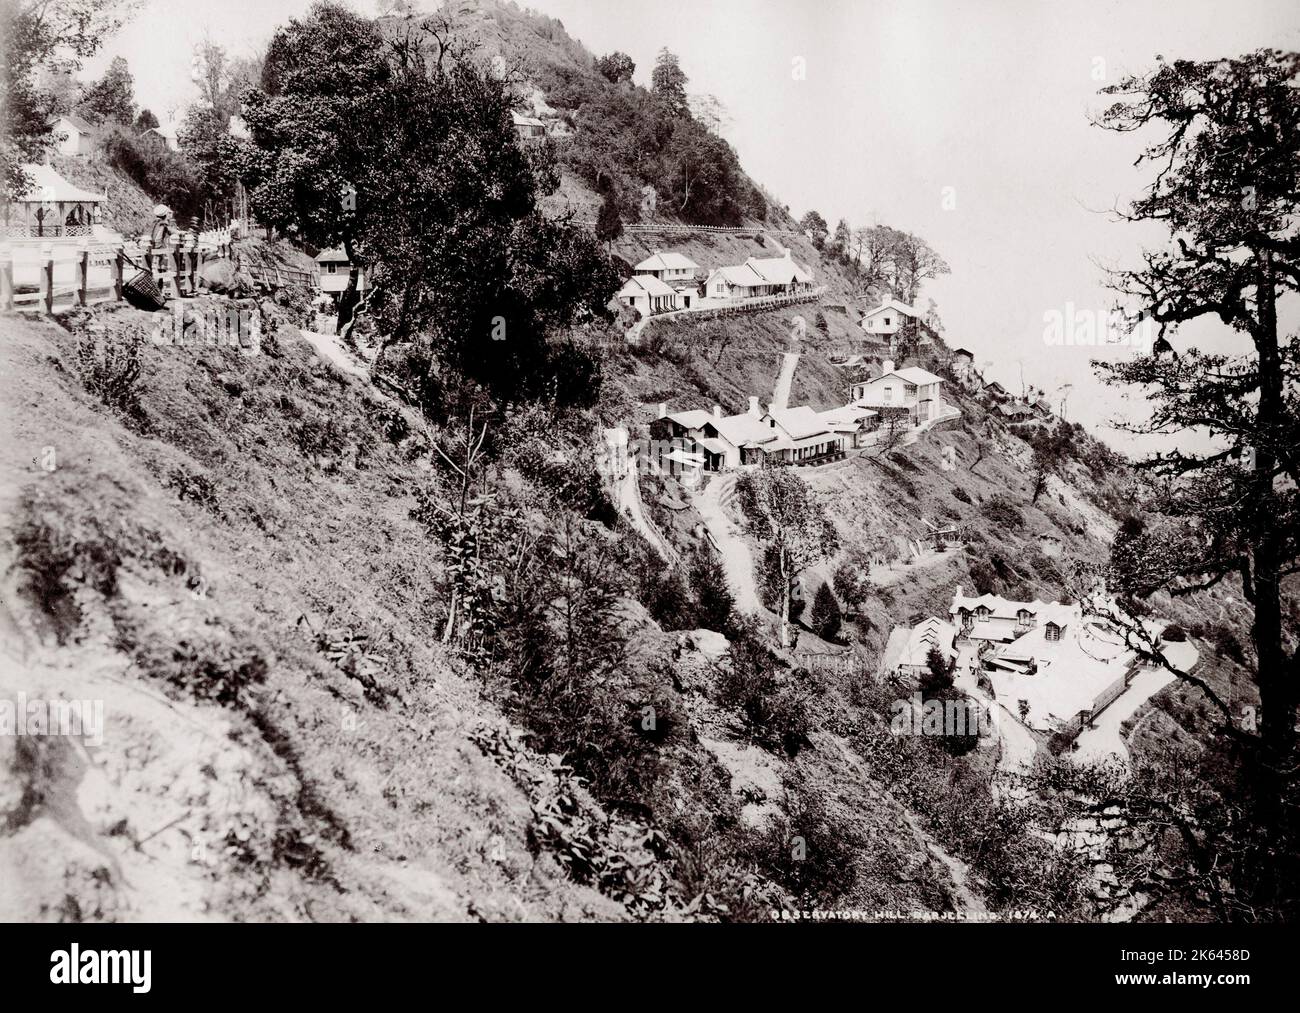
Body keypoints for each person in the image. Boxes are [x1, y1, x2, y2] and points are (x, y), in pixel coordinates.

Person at [143, 205, 172, 273]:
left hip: (150, 244)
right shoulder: (163, 224)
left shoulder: (154, 222)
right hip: (158, 246)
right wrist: (179, 232)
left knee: (150, 263)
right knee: (161, 263)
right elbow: (170, 231)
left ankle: (153, 279)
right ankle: (160, 280)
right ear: (165, 215)